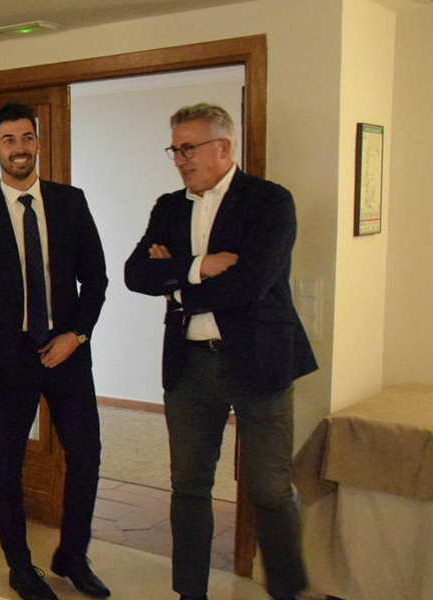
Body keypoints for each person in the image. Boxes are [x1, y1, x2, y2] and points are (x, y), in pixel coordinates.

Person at [124, 103, 316, 600]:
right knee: (189, 486)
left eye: (189, 148)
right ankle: (190, 593)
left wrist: (177, 285)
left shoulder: (270, 201)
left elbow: (252, 283)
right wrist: (200, 266)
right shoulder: (169, 207)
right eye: (174, 150)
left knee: (270, 489)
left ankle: (288, 591)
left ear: (224, 147)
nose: (179, 160)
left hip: (260, 360)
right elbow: (135, 274)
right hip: (189, 365)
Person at [0, 102, 110, 600]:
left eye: (26, 137)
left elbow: (96, 279)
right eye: (9, 140)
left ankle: (72, 556)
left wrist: (76, 334)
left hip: (67, 353)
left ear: (38, 143)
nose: (19, 148)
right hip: (6, 360)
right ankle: (20, 568)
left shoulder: (70, 203)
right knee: (7, 466)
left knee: (86, 456)